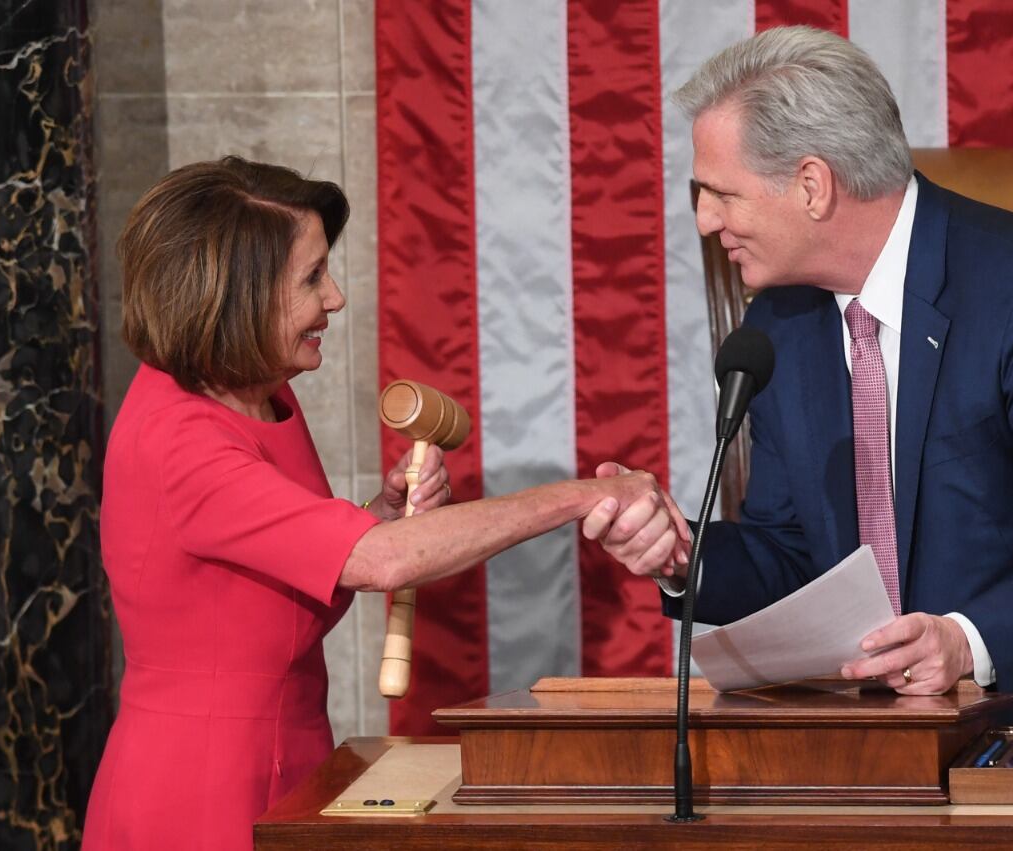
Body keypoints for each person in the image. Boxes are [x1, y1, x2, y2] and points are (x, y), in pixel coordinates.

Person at [585, 26, 1013, 847]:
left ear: (811, 185)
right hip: (911, 761)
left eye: (719, 192)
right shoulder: (784, 326)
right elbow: (793, 550)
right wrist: (683, 554)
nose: (702, 218)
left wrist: (963, 640)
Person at [82, 157, 684, 850]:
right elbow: (382, 562)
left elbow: (279, 563)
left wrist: (380, 509)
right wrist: (585, 494)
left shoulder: (260, 393)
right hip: (199, 791)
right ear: (238, 297)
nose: (334, 298)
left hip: (291, 757)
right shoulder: (181, 438)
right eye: (311, 278)